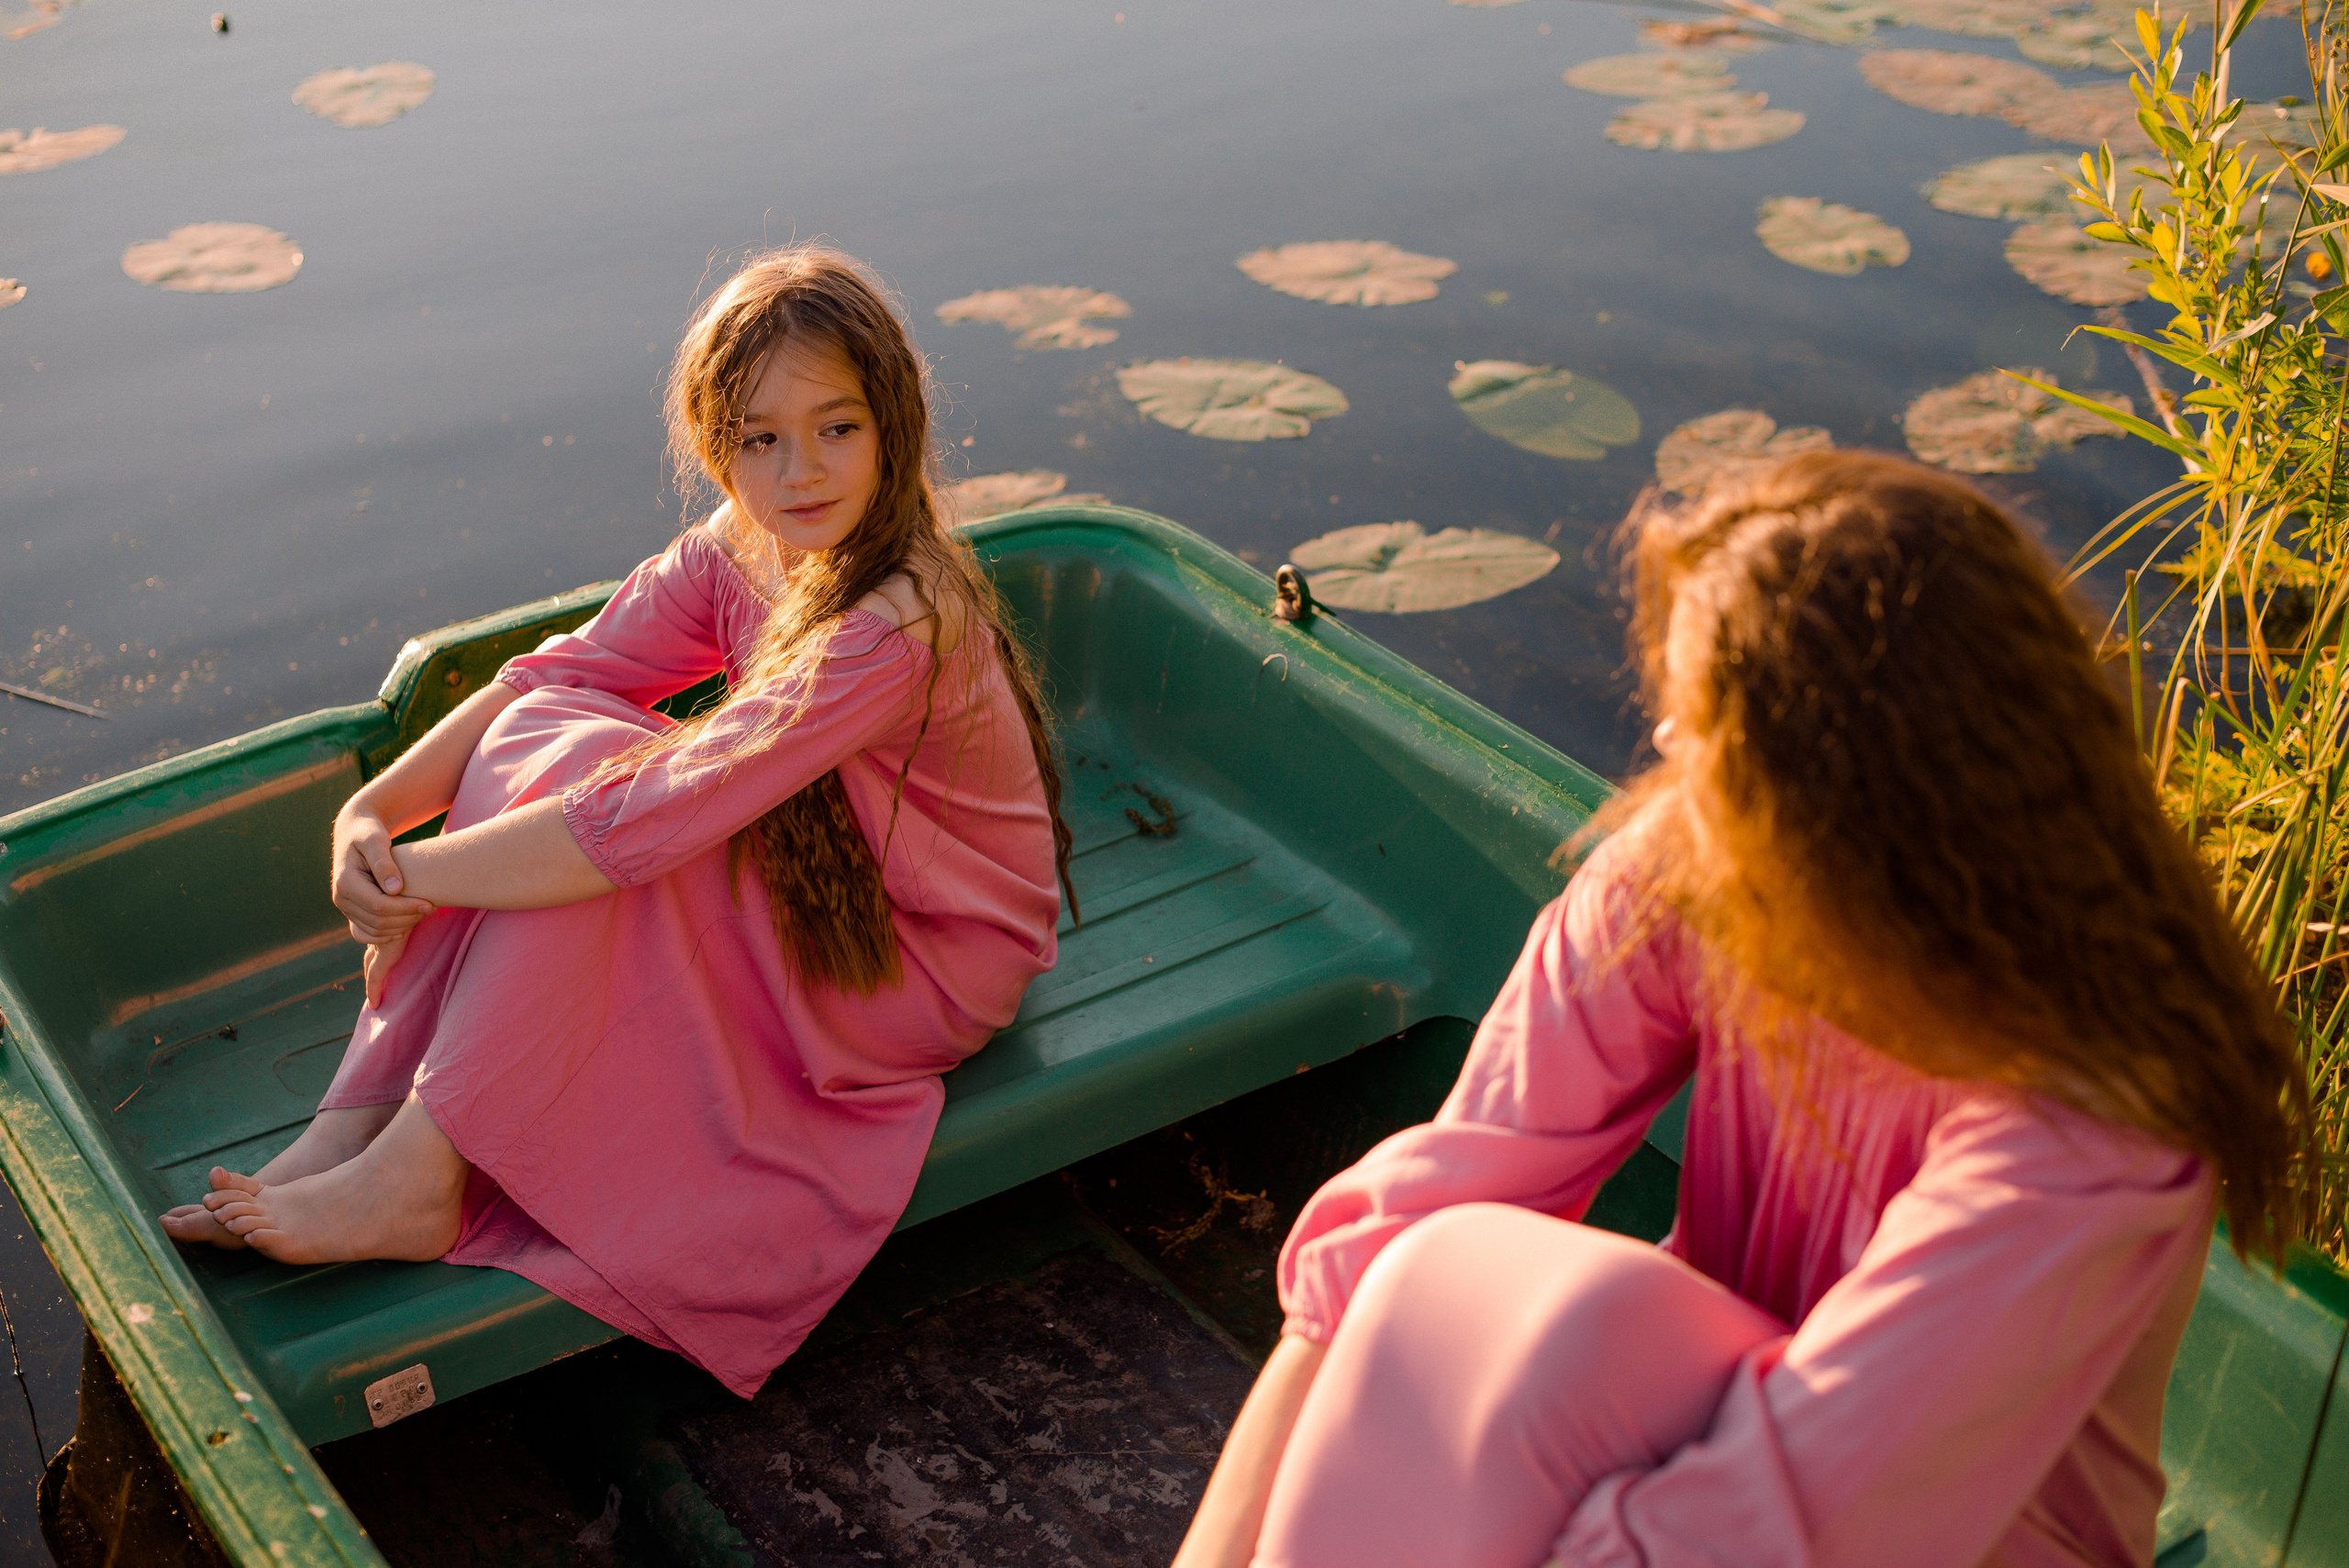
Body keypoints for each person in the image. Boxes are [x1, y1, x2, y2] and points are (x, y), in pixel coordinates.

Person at [1174, 451, 2308, 1568]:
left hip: (1919, 1536)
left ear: (1840, 804)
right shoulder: (1693, 885)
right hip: (1715, 1454)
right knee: (1444, 1277)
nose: (1664, 748)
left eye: (1705, 728)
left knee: (1534, 1326)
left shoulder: (2084, 1134)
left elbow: (1779, 1521)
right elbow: (1401, 1234)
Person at [159, 245, 1074, 1398]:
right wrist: (370, 813)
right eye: (759, 438)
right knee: (566, 727)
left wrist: (426, 875)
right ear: (715, 444)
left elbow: (645, 821)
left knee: (618, 810)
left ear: (893, 422)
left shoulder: (896, 620)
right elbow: (554, 678)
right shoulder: (747, 547)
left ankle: (418, 1172)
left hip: (925, 957)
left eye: (837, 426)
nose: (801, 470)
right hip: (831, 880)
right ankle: (359, 1127)